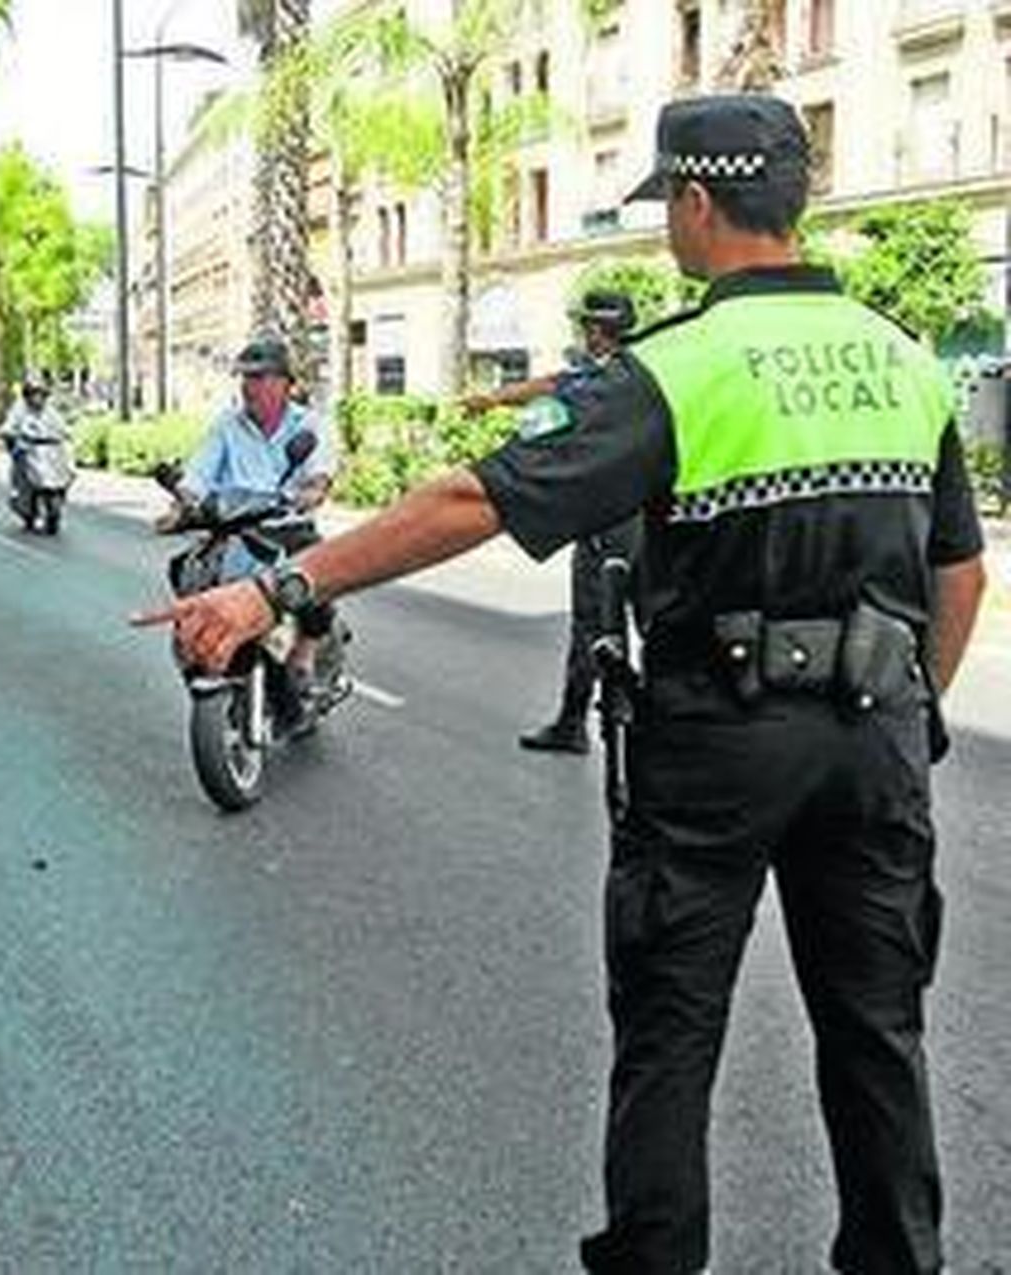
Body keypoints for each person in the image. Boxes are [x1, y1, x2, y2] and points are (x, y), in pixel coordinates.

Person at [138, 95, 986, 1273]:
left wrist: (274, 592)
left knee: (669, 1039)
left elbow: (470, 500)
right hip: (876, 738)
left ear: (695, 204)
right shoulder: (902, 362)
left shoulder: (675, 369)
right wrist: (914, 718)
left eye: (666, 208)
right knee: (877, 1035)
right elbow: (960, 572)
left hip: (717, 751)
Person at [468, 292, 643, 755]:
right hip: (651, 520)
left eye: (588, 327)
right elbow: (548, 382)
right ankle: (646, 712)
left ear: (598, 331)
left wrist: (498, 410)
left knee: (591, 622)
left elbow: (543, 408)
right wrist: (494, 398)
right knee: (647, 618)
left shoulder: (592, 380)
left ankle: (572, 723)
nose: (584, 335)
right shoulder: (642, 372)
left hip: (605, 520)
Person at [155, 334, 337, 688]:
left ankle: (306, 648)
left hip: (288, 526)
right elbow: (200, 475)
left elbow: (319, 474)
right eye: (245, 377)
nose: (249, 386)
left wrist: (313, 489)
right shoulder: (227, 424)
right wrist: (182, 503)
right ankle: (199, 647)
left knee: (314, 575)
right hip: (234, 530)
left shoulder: (310, 426)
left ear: (286, 383)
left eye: (260, 377)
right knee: (183, 570)